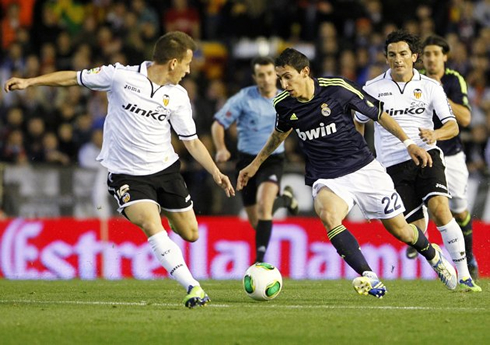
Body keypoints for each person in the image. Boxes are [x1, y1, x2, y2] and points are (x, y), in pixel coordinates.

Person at [4, 31, 235, 307]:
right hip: (127, 175)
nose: (188, 70)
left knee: (191, 234)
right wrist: (31, 81)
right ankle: (193, 287)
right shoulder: (120, 77)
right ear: (173, 62)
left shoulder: (179, 97)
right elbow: (74, 77)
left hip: (165, 171)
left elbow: (192, 142)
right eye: (186, 63)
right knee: (151, 223)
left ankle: (171, 230)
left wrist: (215, 172)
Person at [237, 47, 457, 299]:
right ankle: (370, 276)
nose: (283, 84)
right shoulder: (283, 104)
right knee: (329, 216)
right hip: (326, 176)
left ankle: (432, 254)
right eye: (280, 78)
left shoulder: (338, 88)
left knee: (402, 230)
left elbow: (379, 114)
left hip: (363, 168)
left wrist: (408, 143)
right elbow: (279, 133)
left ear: (305, 71)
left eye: (287, 77)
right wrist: (255, 164)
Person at [354, 29, 481, 292]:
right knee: (413, 232)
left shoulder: (431, 86)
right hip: (392, 165)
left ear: (414, 56)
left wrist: (434, 133)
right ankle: (435, 256)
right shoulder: (372, 88)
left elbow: (453, 126)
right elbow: (360, 120)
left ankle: (465, 274)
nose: (397, 59)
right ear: (386, 58)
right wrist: (360, 153)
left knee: (441, 209)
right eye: (391, 55)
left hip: (426, 155)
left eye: (402, 54)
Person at [211, 56, 299, 263]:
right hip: (246, 162)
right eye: (261, 75)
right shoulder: (244, 98)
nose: (266, 79)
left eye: (270, 74)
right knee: (255, 219)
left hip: (272, 160)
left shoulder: (286, 99)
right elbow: (218, 124)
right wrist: (221, 148)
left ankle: (259, 261)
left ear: (275, 76)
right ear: (255, 77)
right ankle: (284, 199)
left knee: (263, 207)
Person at [411, 34, 478, 279]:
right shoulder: (415, 81)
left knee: (459, 210)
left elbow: (467, 119)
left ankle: (468, 257)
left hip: (451, 154)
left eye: (436, 54)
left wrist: (439, 93)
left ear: (445, 57)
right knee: (428, 202)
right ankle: (417, 238)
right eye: (427, 54)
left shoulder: (453, 80)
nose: (431, 58)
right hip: (425, 153)